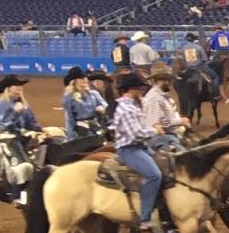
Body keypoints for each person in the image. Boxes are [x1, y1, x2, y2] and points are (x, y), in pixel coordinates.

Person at [111, 72, 164, 223]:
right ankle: (145, 217)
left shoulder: (133, 106)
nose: (142, 92)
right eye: (140, 89)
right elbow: (135, 135)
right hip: (129, 149)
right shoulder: (126, 109)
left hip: (140, 147)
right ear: (131, 89)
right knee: (154, 175)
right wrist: (155, 131)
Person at [0, 74, 44, 188]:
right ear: (9, 88)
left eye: (21, 86)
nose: (20, 88)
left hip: (23, 136)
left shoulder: (24, 105)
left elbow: (31, 122)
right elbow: (5, 124)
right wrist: (14, 112)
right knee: (21, 166)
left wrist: (40, 130)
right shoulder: (2, 104)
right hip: (9, 137)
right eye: (17, 86)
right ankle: (15, 193)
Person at [61, 64, 107, 144]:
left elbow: (105, 106)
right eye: (81, 78)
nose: (84, 80)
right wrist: (71, 137)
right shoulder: (69, 97)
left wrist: (101, 108)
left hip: (95, 126)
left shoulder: (94, 93)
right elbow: (69, 118)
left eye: (84, 78)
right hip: (81, 130)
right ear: (74, 81)